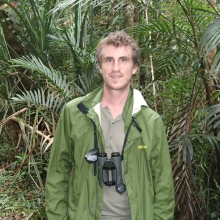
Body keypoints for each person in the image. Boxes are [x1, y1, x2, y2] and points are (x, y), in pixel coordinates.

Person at [45, 30, 175, 220]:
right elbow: (57, 173)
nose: (116, 68)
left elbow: (163, 185)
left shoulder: (151, 121)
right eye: (109, 60)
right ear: (100, 66)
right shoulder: (74, 112)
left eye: (123, 60)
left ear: (135, 67)